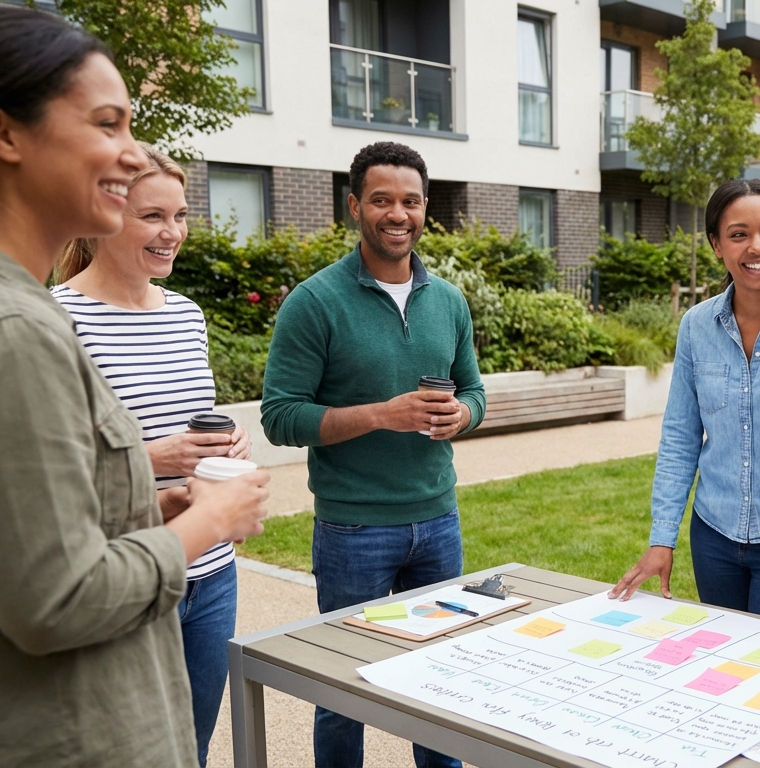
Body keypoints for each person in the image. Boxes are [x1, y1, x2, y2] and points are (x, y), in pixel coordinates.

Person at [0, 8, 270, 766]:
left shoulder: (157, 315)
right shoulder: (26, 326)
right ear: (9, 134)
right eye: (108, 125)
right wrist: (206, 516)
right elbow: (54, 597)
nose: (129, 155)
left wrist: (155, 505)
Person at [260, 141, 485, 768]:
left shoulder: (448, 300)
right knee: (344, 688)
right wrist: (385, 414)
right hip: (353, 527)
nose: (397, 213)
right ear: (355, 205)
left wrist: (464, 413)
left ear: (424, 209)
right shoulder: (314, 302)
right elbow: (280, 418)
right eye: (381, 200)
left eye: (410, 201)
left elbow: (474, 389)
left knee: (441, 680)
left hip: (438, 522)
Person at [50, 142, 253, 767]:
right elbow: (49, 470)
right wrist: (161, 454)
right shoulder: (59, 317)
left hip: (211, 570)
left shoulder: (187, 316)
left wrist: (231, 449)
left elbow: (197, 422)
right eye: (153, 217)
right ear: (104, 216)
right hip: (126, 568)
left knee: (191, 746)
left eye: (182, 215)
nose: (173, 233)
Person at [610, 179, 760, 638]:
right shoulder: (696, 326)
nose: (757, 246)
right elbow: (680, 438)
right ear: (717, 245)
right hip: (714, 539)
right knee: (723, 664)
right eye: (739, 234)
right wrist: (662, 537)